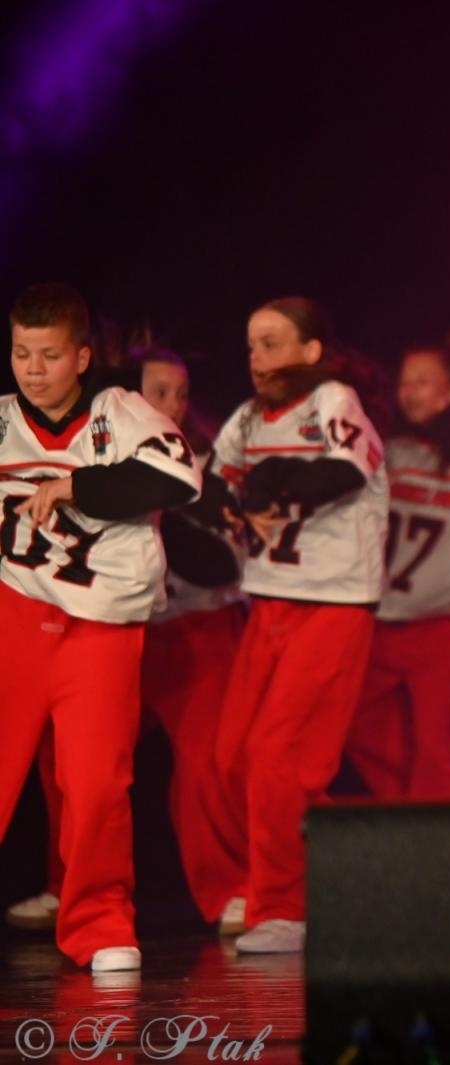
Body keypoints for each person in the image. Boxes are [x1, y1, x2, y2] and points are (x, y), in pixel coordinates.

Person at [0, 284, 201, 972]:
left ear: (82, 356)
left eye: (49, 354)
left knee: (94, 784)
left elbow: (177, 479)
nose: (32, 368)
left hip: (99, 626)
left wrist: (76, 487)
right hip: (16, 617)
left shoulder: (122, 412)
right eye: (21, 352)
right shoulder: (1, 420)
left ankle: (99, 919)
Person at [210, 297, 388, 954]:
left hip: (333, 602)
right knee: (229, 758)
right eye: (251, 346)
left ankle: (286, 904)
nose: (258, 359)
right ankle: (339, 870)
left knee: (280, 760)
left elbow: (343, 471)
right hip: (268, 599)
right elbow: (211, 483)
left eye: (273, 343)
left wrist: (271, 481)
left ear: (311, 350)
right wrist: (231, 502)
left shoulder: (333, 400)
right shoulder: (249, 417)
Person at [343, 340, 450, 798]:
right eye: (404, 381)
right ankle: (410, 808)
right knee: (347, 719)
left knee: (435, 742)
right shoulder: (390, 446)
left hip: (445, 622)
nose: (409, 391)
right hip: (381, 619)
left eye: (422, 382)